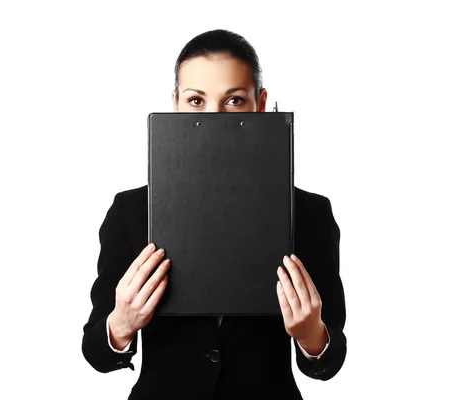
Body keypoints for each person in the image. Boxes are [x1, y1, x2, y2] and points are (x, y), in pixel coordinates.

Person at [81, 29, 346, 400]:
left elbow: (330, 361)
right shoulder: (130, 211)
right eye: (195, 100)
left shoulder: (310, 213)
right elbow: (97, 353)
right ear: (175, 103)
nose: (216, 117)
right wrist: (120, 325)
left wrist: (312, 335)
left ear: (260, 103)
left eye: (234, 100)